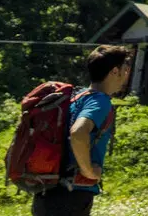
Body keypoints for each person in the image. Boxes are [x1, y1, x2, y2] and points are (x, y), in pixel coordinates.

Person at [34, 45, 131, 216]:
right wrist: (88, 171)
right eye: (125, 68)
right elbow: (78, 133)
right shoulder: (99, 101)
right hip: (71, 196)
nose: (127, 74)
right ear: (115, 71)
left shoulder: (77, 97)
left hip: (48, 193)